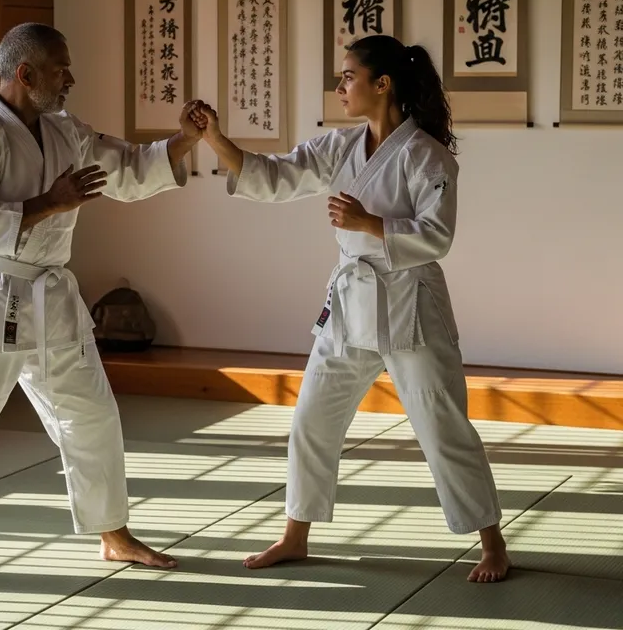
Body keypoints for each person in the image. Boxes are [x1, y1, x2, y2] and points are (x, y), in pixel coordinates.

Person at [0, 23, 204, 593]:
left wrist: (183, 141)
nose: (70, 78)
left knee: (91, 414)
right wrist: (49, 203)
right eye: (60, 68)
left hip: (51, 294)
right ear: (25, 74)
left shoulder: (64, 129)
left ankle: (112, 532)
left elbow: (125, 166)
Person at [192, 34, 510, 583]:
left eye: (348, 76)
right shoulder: (339, 146)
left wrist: (370, 223)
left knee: (442, 425)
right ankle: (295, 535)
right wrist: (216, 140)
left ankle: (492, 543)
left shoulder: (426, 155)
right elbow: (275, 175)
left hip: (411, 305)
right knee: (312, 418)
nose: (340, 87)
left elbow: (437, 236)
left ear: (381, 84)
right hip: (349, 302)